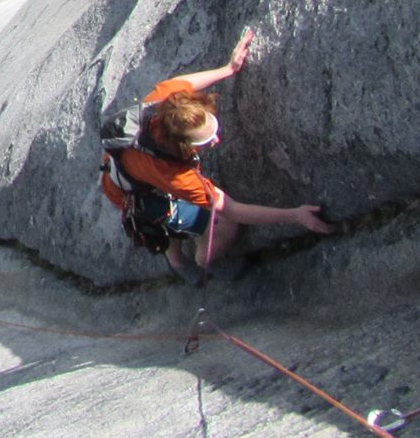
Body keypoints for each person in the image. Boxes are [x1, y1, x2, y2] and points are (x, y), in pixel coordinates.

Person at [102, 27, 332, 282]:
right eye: (208, 140)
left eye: (213, 128)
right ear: (184, 146)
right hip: (136, 195)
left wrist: (229, 69)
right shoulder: (176, 176)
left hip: (125, 168)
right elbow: (231, 209)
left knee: (168, 215)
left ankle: (177, 254)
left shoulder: (170, 103)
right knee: (224, 225)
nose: (217, 139)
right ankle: (200, 262)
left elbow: (189, 83)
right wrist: (295, 216)